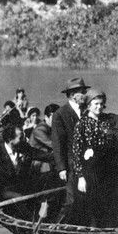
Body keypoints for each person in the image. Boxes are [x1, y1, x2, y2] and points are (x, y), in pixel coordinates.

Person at [71, 89, 118, 228]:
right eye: (96, 104)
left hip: (108, 168)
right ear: (88, 105)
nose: (99, 107)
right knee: (94, 204)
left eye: (101, 104)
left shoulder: (106, 121)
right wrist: (80, 176)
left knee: (109, 204)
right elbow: (76, 152)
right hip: (92, 170)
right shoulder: (82, 124)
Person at [50, 78, 89, 221]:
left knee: (86, 197)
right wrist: (61, 168)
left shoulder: (87, 110)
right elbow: (57, 142)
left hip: (87, 162)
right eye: (82, 92)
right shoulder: (60, 114)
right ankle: (57, 228)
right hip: (71, 163)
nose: (85, 94)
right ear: (73, 94)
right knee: (71, 199)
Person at [0, 125, 37, 213]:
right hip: (2, 191)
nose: (25, 139)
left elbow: (44, 155)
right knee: (20, 198)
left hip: (20, 188)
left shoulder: (24, 148)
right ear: (10, 140)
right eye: (21, 137)